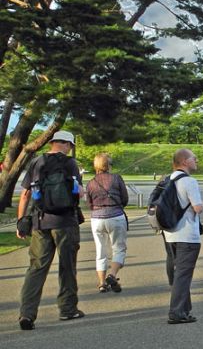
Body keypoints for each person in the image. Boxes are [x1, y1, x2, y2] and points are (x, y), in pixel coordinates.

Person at [16, 130, 84, 330]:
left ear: (52, 143)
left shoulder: (36, 163)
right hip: (65, 222)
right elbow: (78, 192)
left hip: (40, 222)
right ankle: (68, 309)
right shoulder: (70, 163)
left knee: (37, 268)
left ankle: (27, 314)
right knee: (67, 267)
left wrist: (22, 220)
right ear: (67, 145)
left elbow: (25, 194)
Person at [164, 148, 203, 325]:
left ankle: (185, 309)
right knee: (183, 273)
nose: (196, 159)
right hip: (187, 233)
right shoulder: (189, 182)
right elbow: (197, 208)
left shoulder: (167, 180)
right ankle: (177, 311)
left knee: (178, 271)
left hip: (170, 232)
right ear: (184, 161)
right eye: (193, 158)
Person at [85, 153, 129, 293]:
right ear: (108, 165)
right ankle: (113, 275)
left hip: (97, 219)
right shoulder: (116, 178)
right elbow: (125, 198)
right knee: (118, 248)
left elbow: (89, 203)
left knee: (100, 250)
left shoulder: (91, 182)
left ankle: (102, 283)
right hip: (115, 215)